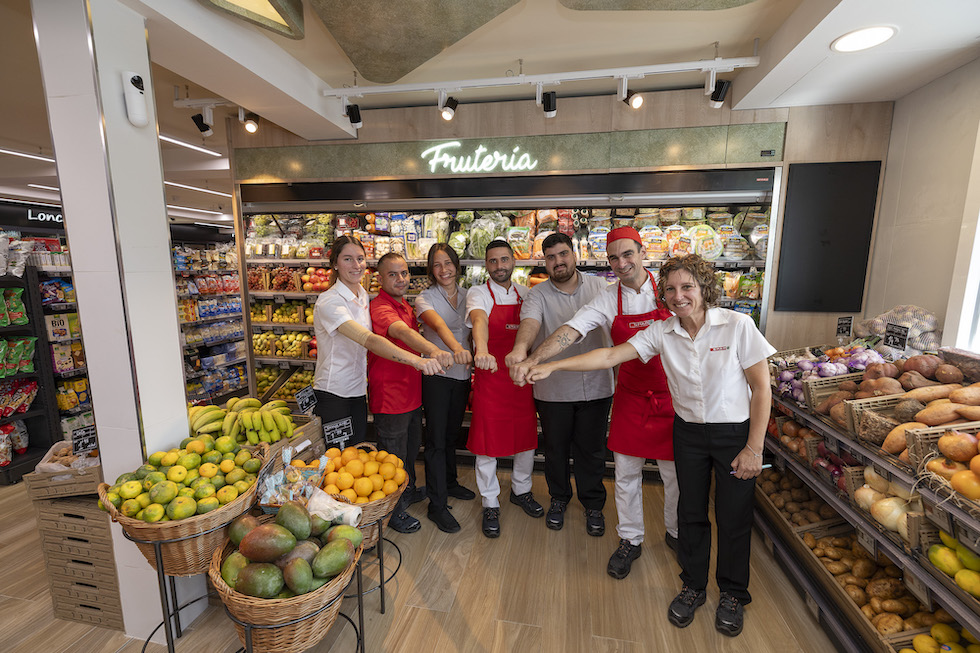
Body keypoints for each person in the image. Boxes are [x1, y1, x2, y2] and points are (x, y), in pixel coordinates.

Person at [526, 254, 774, 637]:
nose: (678, 296)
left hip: (733, 434)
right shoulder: (663, 332)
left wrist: (754, 448)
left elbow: (762, 388)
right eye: (671, 289)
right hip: (688, 432)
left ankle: (732, 594)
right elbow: (609, 354)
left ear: (704, 288)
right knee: (690, 515)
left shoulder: (737, 325)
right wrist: (552, 365)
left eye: (687, 287)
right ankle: (692, 586)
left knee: (733, 517)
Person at [512, 226, 677, 580]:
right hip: (631, 394)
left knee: (673, 475)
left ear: (642, 252)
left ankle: (677, 534)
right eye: (614, 257)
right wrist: (531, 360)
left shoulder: (670, 289)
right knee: (627, 474)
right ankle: (630, 539)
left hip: (673, 394)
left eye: (627, 254)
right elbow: (571, 330)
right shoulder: (608, 297)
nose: (621, 263)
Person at [504, 233, 614, 535]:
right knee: (555, 449)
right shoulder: (537, 295)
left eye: (563, 254)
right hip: (552, 390)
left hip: (597, 386)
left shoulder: (600, 287)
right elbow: (530, 324)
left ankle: (593, 505)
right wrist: (519, 350)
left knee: (591, 451)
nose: (558, 262)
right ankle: (559, 498)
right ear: (545, 261)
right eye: (551, 257)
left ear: (574, 254)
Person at [312, 236, 442, 451]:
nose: (356, 265)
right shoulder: (330, 301)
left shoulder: (362, 295)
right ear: (335, 263)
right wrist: (417, 361)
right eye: (348, 259)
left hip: (357, 391)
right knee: (337, 460)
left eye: (360, 259)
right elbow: (368, 339)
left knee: (357, 459)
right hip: (334, 393)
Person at [368, 252, 455, 533]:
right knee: (392, 457)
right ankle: (393, 511)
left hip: (411, 395)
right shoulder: (381, 307)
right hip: (390, 397)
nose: (401, 279)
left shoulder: (404, 305)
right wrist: (435, 350)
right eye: (393, 274)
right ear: (379, 279)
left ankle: (406, 492)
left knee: (409, 451)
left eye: (404, 273)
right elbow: (402, 333)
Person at [466, 239, 543, 538]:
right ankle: (490, 501)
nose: (499, 266)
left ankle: (521, 490)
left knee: (526, 438)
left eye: (504, 260)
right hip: (491, 379)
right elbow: (479, 319)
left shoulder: (527, 295)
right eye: (493, 261)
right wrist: (482, 350)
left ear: (514, 262)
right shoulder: (478, 293)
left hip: (521, 381)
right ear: (487, 265)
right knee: (487, 444)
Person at [415, 243, 477, 534]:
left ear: (457, 265)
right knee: (437, 441)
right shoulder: (424, 298)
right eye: (437, 265)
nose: (444, 270)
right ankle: (436, 505)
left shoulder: (470, 295)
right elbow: (439, 326)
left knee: (452, 434)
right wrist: (457, 350)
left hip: (462, 376)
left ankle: (450, 483)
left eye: (448, 263)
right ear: (431, 270)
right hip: (437, 375)